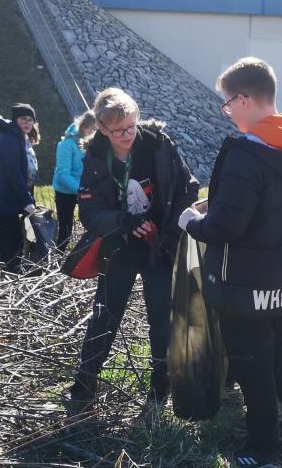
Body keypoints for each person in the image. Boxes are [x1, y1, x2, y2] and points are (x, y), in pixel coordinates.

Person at [178, 57, 282, 468]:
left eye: (227, 104)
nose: (227, 112)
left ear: (243, 99)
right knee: (281, 353)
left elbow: (226, 227)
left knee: (251, 362)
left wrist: (190, 221)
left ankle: (262, 446)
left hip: (244, 283)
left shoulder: (247, 154)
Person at [67, 87, 198, 414]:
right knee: (104, 316)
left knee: (161, 316)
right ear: (102, 129)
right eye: (119, 131)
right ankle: (84, 385)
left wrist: (171, 232)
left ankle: (160, 386)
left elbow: (187, 189)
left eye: (131, 126)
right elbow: (89, 213)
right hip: (119, 246)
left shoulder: (159, 145)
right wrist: (123, 221)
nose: (128, 135)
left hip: (160, 246)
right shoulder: (95, 157)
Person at [0, 103, 38, 273]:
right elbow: (14, 174)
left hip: (9, 198)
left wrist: (29, 199)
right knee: (13, 237)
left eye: (30, 119)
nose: (27, 123)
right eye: (23, 119)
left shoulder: (20, 138)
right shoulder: (10, 140)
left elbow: (26, 173)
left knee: (7, 236)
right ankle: (12, 271)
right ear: (15, 120)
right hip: (1, 198)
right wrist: (27, 201)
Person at [52, 110, 97, 250]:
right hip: (65, 191)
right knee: (65, 230)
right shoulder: (66, 144)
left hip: (85, 189)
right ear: (83, 126)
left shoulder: (94, 144)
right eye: (91, 128)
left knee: (94, 225)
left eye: (96, 129)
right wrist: (82, 190)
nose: (93, 132)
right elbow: (63, 175)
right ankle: (60, 255)